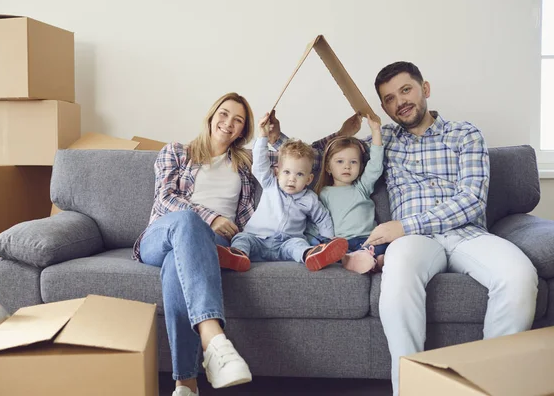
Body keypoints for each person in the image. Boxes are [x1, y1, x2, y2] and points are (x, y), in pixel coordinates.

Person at [334, 61, 538, 395]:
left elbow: (472, 199)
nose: (399, 101)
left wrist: (404, 224)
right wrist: (339, 130)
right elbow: (321, 160)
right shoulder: (382, 140)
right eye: (388, 99)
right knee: (397, 274)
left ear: (424, 89)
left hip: (466, 234)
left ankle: (491, 387)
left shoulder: (465, 134)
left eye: (405, 90)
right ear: (384, 108)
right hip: (413, 243)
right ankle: (412, 391)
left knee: (519, 276)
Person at [134, 92, 257, 396]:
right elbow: (165, 198)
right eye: (224, 114)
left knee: (178, 266)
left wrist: (344, 132)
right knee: (189, 223)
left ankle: (185, 385)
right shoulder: (176, 151)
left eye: (238, 120)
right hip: (162, 235)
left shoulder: (244, 166)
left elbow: (299, 158)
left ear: (243, 130)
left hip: (212, 244)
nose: (229, 123)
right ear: (212, 115)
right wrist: (211, 217)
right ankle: (213, 339)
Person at [217, 113, 349, 272]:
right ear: (277, 172)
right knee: (241, 238)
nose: (292, 179)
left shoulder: (310, 198)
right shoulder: (270, 184)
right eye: (287, 172)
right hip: (257, 240)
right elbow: (259, 163)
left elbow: (322, 217)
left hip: (287, 244)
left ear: (309, 179)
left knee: (299, 245)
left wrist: (328, 240)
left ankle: (313, 255)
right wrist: (263, 136)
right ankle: (238, 256)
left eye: (299, 174)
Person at [311, 114, 388, 274]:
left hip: (368, 239)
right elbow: (315, 220)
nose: (347, 166)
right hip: (341, 242)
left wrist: (376, 131)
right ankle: (362, 260)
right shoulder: (323, 194)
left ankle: (372, 259)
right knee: (325, 245)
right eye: (340, 162)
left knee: (387, 243)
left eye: (353, 162)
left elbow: (375, 166)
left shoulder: (362, 187)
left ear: (360, 167)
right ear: (328, 168)